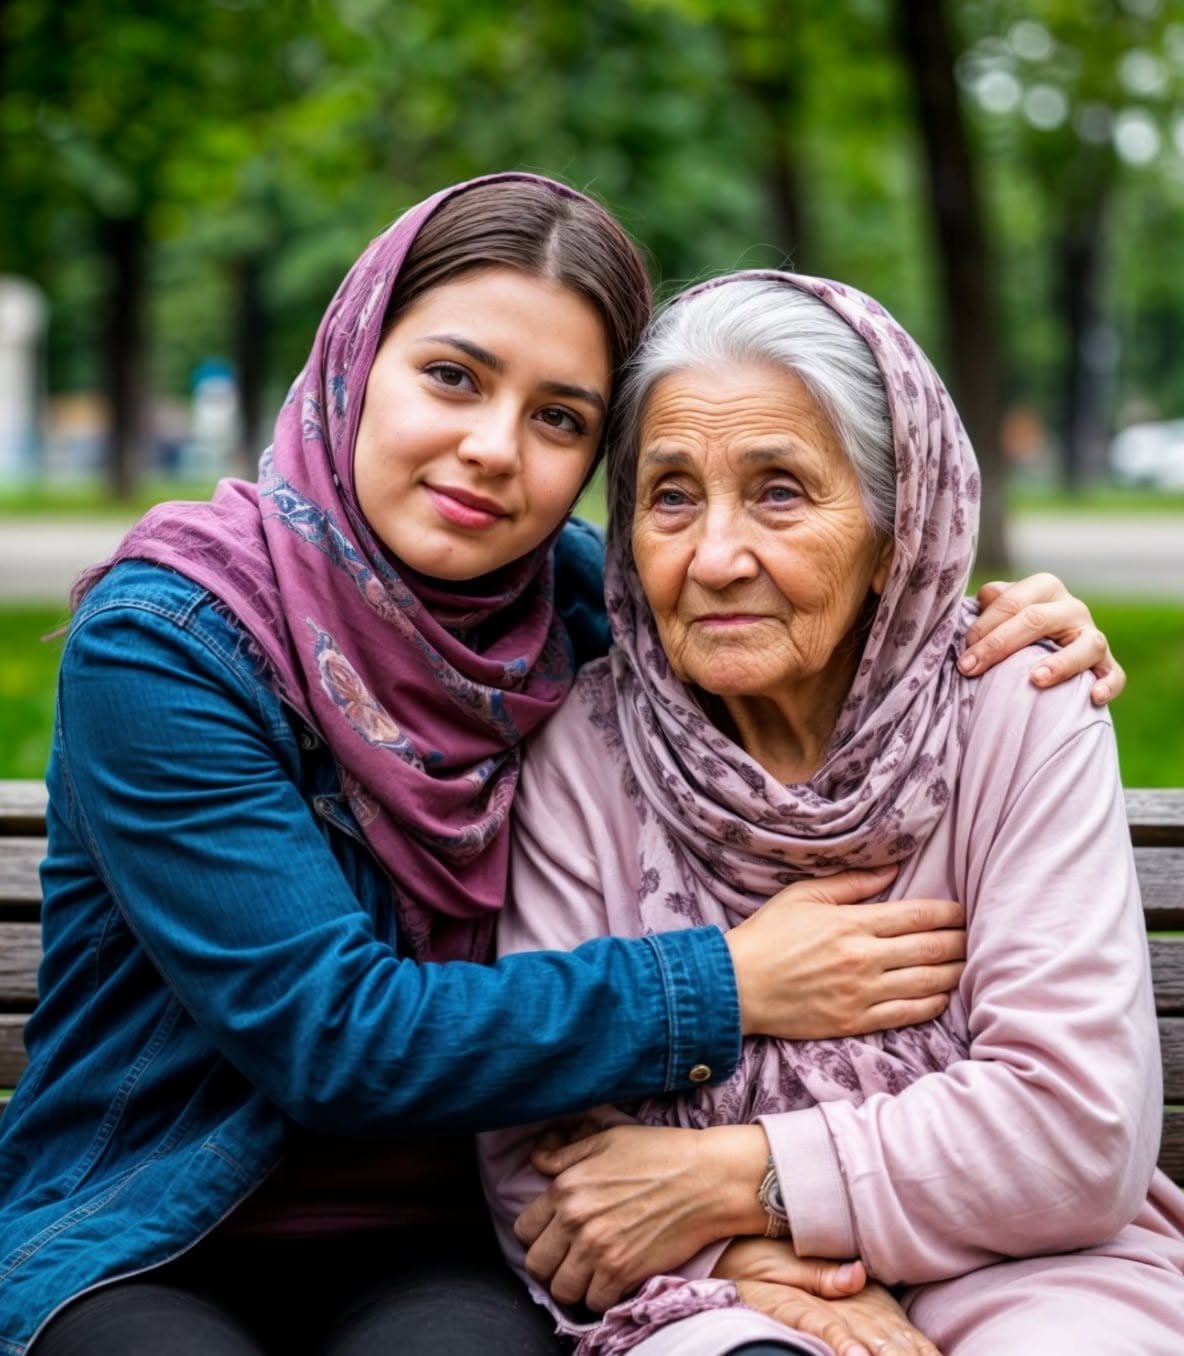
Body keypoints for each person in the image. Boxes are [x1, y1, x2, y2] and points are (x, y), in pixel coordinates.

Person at [0, 174, 1122, 1356]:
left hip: (445, 1237)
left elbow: (821, 597)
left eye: (560, 418)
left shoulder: (585, 611)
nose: (491, 449)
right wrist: (729, 984)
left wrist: (1000, 626)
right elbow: (329, 1037)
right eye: (451, 377)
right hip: (150, 1222)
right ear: (352, 363)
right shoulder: (172, 641)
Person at [479, 271, 1184, 1355]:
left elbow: (1073, 1131)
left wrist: (734, 1180)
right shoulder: (583, 747)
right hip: (709, 1292)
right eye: (669, 496)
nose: (714, 558)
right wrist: (744, 1257)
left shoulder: (1017, 707)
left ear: (897, 530)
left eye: (777, 492)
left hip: (1038, 1268)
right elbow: (547, 1161)